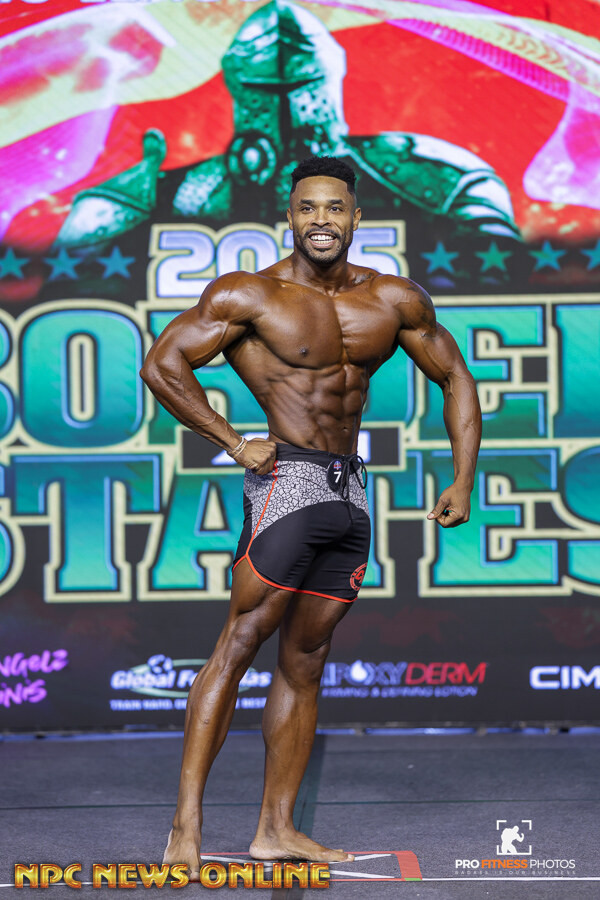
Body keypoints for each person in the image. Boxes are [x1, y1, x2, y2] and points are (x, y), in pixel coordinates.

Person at [140, 155, 482, 876]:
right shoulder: (249, 294)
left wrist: (463, 477)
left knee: (306, 661)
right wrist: (233, 440)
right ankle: (184, 827)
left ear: (356, 218)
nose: (320, 220)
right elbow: (162, 364)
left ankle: (276, 829)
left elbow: (454, 375)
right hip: (286, 485)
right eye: (307, 208)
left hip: (348, 490)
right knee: (239, 645)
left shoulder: (393, 298)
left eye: (333, 208)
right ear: (290, 217)